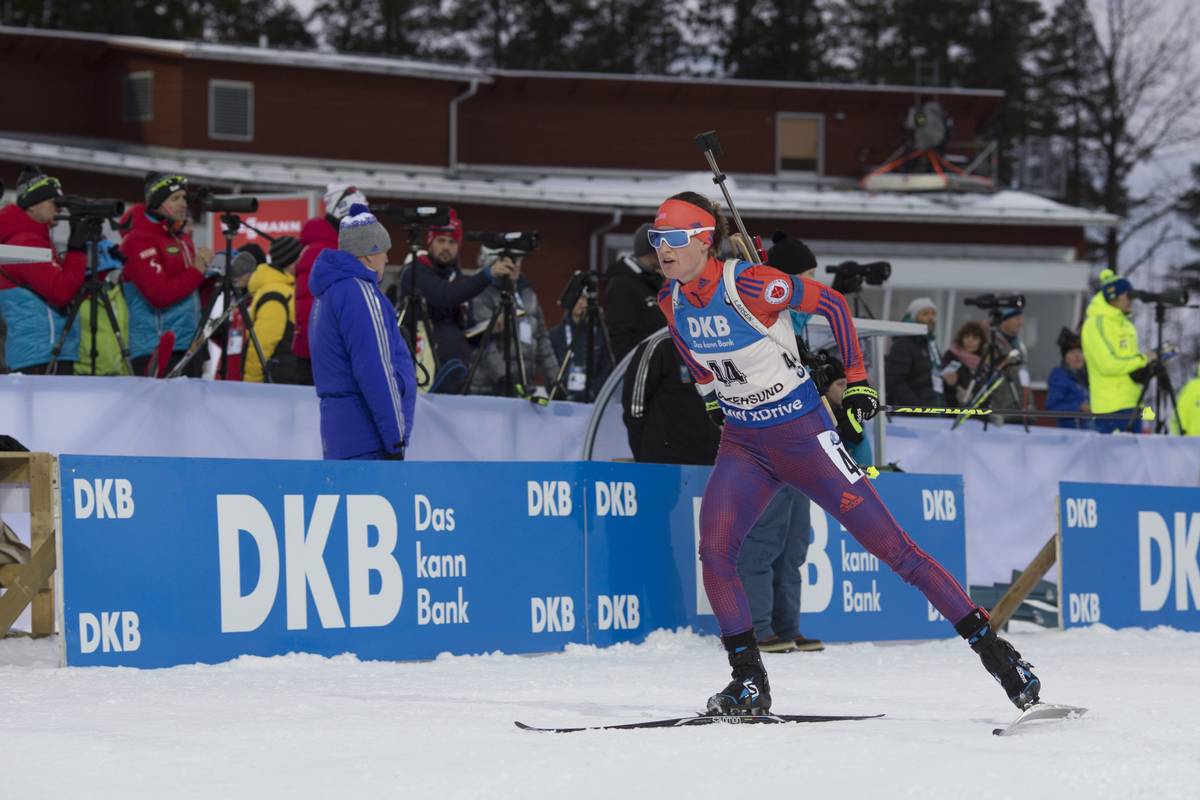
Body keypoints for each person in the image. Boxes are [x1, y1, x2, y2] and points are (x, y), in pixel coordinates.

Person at [652, 190, 1039, 716]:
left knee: (896, 551)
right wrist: (713, 400)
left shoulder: (747, 281)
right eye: (656, 240)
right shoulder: (670, 301)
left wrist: (856, 382)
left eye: (673, 239)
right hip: (744, 442)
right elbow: (694, 356)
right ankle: (748, 682)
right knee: (716, 550)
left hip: (803, 436)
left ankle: (997, 654)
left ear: (702, 240)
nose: (662, 250)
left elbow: (832, 304)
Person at [308, 205, 415, 460]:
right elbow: (374, 370)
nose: (387, 260)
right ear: (370, 255)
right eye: (384, 253)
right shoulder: (360, 293)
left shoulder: (326, 293)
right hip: (368, 438)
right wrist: (395, 439)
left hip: (339, 434)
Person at [395, 209, 515, 393]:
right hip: (421, 371)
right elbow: (447, 296)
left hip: (454, 375)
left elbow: (462, 329)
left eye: (452, 242)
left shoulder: (455, 276)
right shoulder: (416, 271)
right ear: (430, 242)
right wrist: (487, 274)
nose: (446, 247)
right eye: (440, 240)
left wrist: (486, 330)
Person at [120, 172, 213, 377]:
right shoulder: (137, 240)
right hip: (155, 348)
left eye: (184, 198)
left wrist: (208, 278)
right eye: (175, 198)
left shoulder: (180, 238)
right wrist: (197, 270)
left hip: (189, 345)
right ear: (156, 202)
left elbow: (189, 288)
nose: (183, 204)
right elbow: (159, 294)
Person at [0, 167, 86, 374]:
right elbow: (62, 292)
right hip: (38, 354)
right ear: (32, 205)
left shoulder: (34, 240)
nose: (59, 208)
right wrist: (76, 250)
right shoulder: (23, 244)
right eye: (53, 201)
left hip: (44, 350)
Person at [293, 184, 368, 386]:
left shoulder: (326, 247)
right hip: (321, 355)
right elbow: (313, 308)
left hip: (319, 352)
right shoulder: (326, 251)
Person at [467, 246, 558, 397]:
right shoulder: (482, 293)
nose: (516, 265)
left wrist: (554, 381)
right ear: (495, 262)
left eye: (519, 260)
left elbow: (542, 340)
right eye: (510, 260)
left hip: (521, 386)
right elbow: (483, 342)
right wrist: (506, 378)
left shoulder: (528, 294)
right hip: (487, 390)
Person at [621, 328, 720, 464]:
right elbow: (634, 409)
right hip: (665, 462)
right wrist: (645, 456)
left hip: (714, 460)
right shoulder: (660, 345)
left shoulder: (727, 345)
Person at [1081, 269, 1155, 434]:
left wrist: (1148, 366)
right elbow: (1107, 365)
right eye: (1127, 295)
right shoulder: (1095, 324)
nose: (1131, 300)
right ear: (1112, 297)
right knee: (1115, 459)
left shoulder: (1126, 325)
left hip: (1134, 404)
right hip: (1111, 409)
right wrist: (1143, 360)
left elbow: (1129, 365)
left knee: (1136, 459)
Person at [242, 235, 302, 383]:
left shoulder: (286, 288)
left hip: (285, 377)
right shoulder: (276, 294)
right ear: (291, 262)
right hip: (279, 382)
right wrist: (252, 384)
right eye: (301, 256)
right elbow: (262, 344)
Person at [605, 222, 665, 362]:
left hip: (658, 365)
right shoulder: (623, 284)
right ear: (651, 252)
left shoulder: (652, 282)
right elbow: (620, 335)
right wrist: (632, 366)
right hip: (640, 366)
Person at [73, 240, 131, 376]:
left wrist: (125, 376)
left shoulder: (117, 296)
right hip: (83, 376)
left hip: (115, 378)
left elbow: (123, 337)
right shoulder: (78, 297)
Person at [549, 292, 610, 402]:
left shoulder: (601, 335)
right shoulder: (555, 334)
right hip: (562, 401)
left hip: (592, 401)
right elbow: (549, 368)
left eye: (584, 299)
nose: (580, 303)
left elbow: (606, 369)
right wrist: (559, 392)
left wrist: (593, 393)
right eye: (577, 299)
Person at [885, 297, 941, 406]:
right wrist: (917, 407)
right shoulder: (903, 344)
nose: (931, 318)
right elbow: (894, 381)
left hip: (935, 409)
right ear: (913, 318)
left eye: (933, 314)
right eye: (925, 314)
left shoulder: (931, 344)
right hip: (913, 415)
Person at [979, 306, 1032, 415]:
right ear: (1005, 320)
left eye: (1021, 319)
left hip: (1023, 410)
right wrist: (1004, 364)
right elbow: (986, 374)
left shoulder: (1020, 346)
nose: (1020, 323)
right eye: (1016, 318)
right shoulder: (992, 344)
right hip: (1001, 411)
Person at [1046, 328, 1091, 430]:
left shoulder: (1089, 375)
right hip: (1071, 435)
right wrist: (1079, 408)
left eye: (1080, 351)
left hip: (1092, 432)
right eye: (1071, 352)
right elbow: (1052, 407)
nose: (1077, 356)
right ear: (1065, 358)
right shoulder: (1059, 376)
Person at [940, 320, 988, 407]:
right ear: (961, 338)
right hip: (953, 409)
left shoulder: (984, 362)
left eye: (975, 338)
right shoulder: (951, 357)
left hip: (977, 411)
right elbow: (944, 380)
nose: (970, 341)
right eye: (967, 337)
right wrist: (955, 387)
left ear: (981, 341)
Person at [1173, 365, 1200, 436]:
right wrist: (1182, 432)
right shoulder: (1192, 387)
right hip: (1192, 441)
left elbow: (1180, 411)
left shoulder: (1192, 387)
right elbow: (1181, 411)